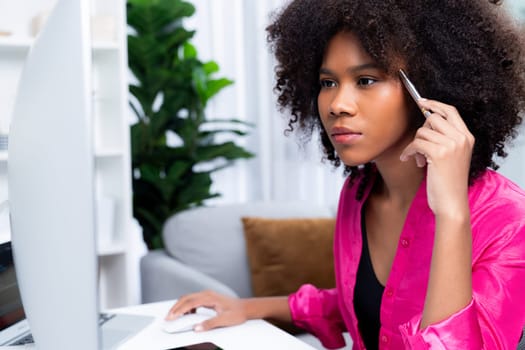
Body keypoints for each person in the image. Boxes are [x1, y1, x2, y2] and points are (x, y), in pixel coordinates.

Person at [165, 0, 525, 348]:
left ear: (429, 90)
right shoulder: (359, 192)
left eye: (366, 80)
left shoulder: (509, 220)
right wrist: (247, 307)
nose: (337, 104)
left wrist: (451, 213)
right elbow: (365, 303)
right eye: (327, 83)